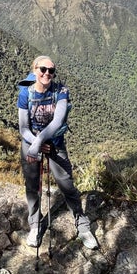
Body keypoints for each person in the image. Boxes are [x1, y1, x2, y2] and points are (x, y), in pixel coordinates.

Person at [16, 55, 98, 249]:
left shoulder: (61, 91)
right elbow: (23, 128)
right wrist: (36, 144)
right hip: (31, 141)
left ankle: (82, 225)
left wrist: (40, 142)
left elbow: (58, 122)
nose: (47, 74)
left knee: (66, 184)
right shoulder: (25, 93)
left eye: (51, 71)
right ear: (35, 70)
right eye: (43, 69)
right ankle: (35, 225)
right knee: (32, 185)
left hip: (54, 143)